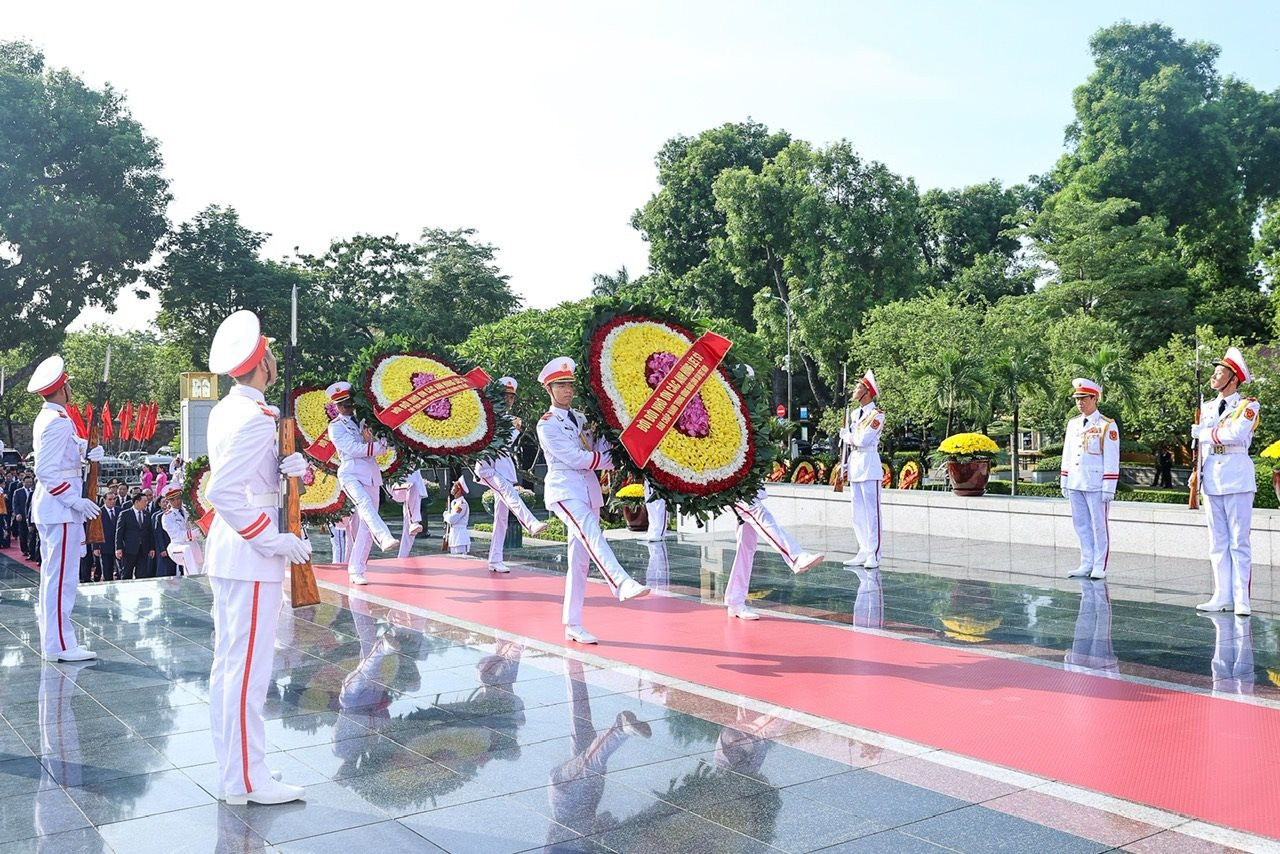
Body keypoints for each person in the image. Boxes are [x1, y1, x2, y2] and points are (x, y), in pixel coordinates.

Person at [204, 308, 311, 806]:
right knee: (247, 673)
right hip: (250, 554)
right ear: (263, 362)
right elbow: (223, 491)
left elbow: (247, 477)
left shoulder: (233, 410)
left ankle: (238, 770)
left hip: (233, 553)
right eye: (269, 354)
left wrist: (291, 467)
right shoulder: (252, 418)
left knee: (231, 668)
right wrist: (274, 540)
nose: (272, 360)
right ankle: (248, 780)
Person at [535, 356, 650, 644]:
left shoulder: (584, 419)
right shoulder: (547, 424)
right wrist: (605, 461)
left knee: (580, 561)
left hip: (588, 492)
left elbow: (599, 448)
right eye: (560, 385)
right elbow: (575, 458)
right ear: (549, 390)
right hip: (565, 491)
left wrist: (614, 434)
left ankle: (572, 623)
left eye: (569, 385)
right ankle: (620, 582)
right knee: (592, 533)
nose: (567, 390)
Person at [26, 354, 104, 661]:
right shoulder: (57, 422)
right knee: (61, 580)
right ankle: (59, 645)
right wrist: (75, 501)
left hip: (55, 509)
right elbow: (45, 470)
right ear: (62, 389)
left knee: (57, 577)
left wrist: (85, 448)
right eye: (68, 384)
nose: (70, 389)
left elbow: (63, 450)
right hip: (60, 508)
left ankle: (59, 640)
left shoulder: (52, 417)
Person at [1193, 347, 1259, 617]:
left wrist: (1205, 433)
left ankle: (1242, 598)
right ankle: (1222, 595)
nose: (1214, 376)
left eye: (1220, 373)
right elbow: (1202, 447)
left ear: (1234, 379)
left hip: (1237, 476)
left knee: (1238, 541)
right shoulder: (1207, 407)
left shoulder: (1248, 406)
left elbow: (1235, 433)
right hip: (1213, 478)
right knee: (1217, 541)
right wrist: (1196, 474)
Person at [326, 381, 397, 586]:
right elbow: (352, 448)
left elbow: (384, 445)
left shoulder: (367, 421)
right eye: (342, 404)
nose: (347, 407)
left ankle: (356, 569)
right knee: (364, 503)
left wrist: (379, 444)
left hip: (371, 473)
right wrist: (376, 447)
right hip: (350, 472)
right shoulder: (336, 427)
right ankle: (384, 537)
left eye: (349, 403)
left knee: (366, 524)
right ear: (336, 407)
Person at [473, 376, 547, 572]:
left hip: (503, 468)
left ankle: (495, 559)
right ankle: (530, 523)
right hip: (488, 467)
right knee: (508, 492)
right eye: (504, 396)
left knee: (501, 518)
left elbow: (506, 445)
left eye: (511, 397)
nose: (508, 400)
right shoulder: (486, 416)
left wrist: (514, 427)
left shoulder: (510, 420)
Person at [723, 488, 824, 619]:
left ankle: (735, 600)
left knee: (746, 545)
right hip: (729, 489)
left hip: (744, 487)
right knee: (757, 511)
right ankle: (796, 557)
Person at [1061, 378, 1120, 580]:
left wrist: (1109, 487)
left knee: (1098, 525)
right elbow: (1067, 452)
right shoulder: (1073, 424)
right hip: (1076, 481)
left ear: (1094, 398)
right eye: (1077, 399)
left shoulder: (1106, 425)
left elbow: (1112, 458)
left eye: (1084, 398)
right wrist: (1064, 479)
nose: (1080, 403)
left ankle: (1099, 565)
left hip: (1096, 483)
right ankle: (1086, 562)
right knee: (1081, 524)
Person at [839, 369, 885, 569]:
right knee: (856, 512)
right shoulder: (855, 414)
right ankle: (863, 550)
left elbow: (863, 440)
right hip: (856, 464)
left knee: (871, 513)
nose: (854, 390)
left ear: (867, 391)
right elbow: (853, 443)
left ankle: (874, 554)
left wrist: (846, 436)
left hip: (869, 464)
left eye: (858, 387)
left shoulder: (877, 415)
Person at [115, 492, 155, 580]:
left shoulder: (147, 514)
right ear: (137, 502)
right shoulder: (125, 514)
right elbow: (119, 532)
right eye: (144, 501)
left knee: (142, 574)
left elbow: (150, 533)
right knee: (126, 574)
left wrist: (152, 548)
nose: (146, 503)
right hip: (129, 550)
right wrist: (118, 548)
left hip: (143, 549)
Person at [391, 469, 428, 558]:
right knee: (412, 486)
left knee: (410, 528)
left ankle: (402, 555)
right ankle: (414, 522)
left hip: (415, 487)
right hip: (398, 485)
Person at [88, 491, 120, 582]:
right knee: (107, 571)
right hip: (104, 546)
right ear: (104, 500)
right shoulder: (98, 513)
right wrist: (95, 547)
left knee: (120, 571)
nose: (112, 501)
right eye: (110, 499)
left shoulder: (120, 511)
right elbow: (94, 531)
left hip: (118, 546)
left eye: (114, 499)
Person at [443, 476, 472, 555]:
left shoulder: (461, 504)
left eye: (454, 486)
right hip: (454, 536)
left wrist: (445, 515)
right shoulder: (455, 502)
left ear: (459, 490)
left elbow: (452, 519)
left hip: (460, 538)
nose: (452, 488)